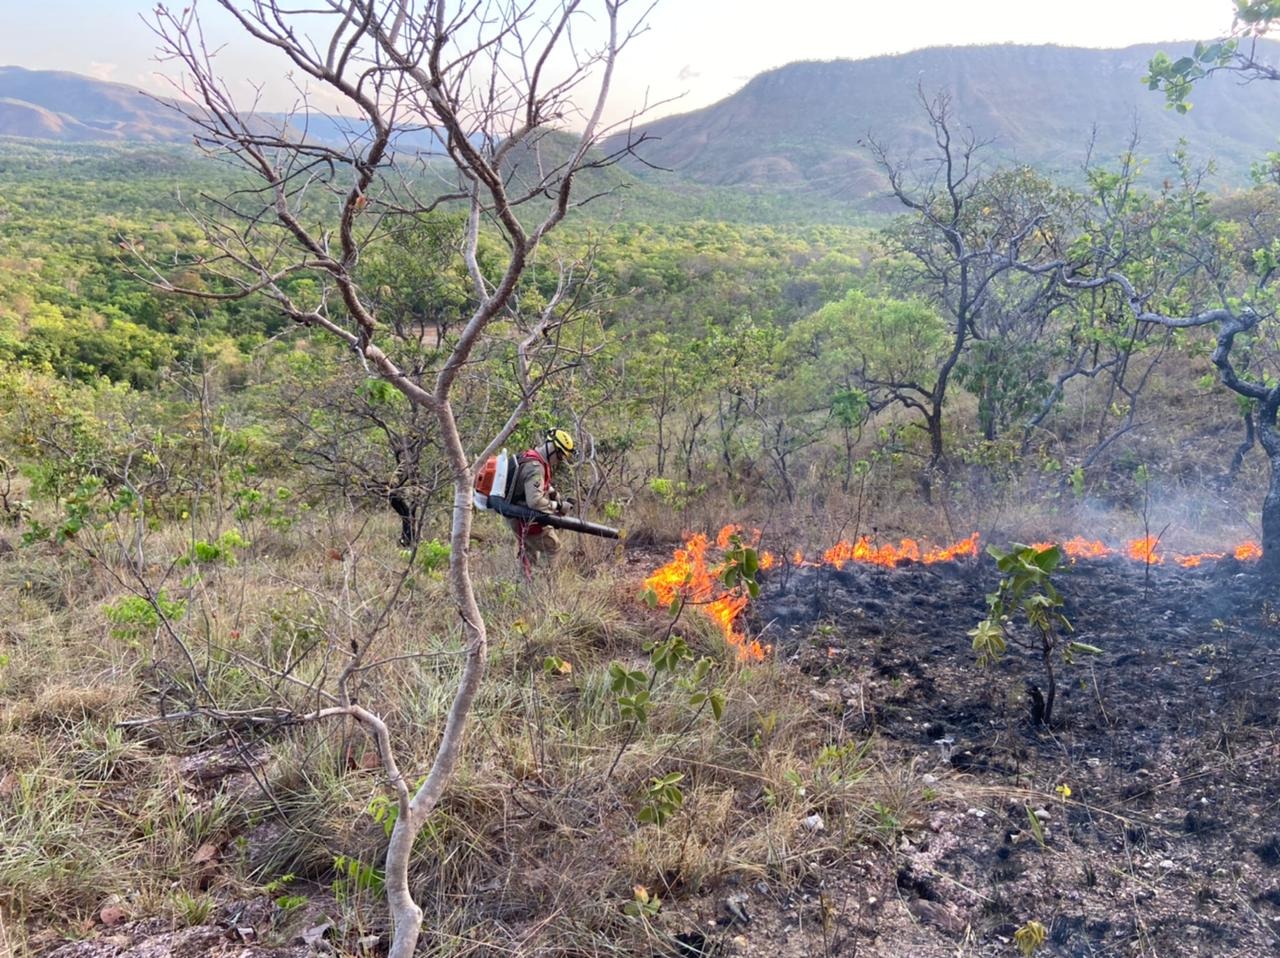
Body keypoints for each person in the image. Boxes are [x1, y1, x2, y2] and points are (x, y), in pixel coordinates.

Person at [508, 428, 575, 570]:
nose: (559, 461)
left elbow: (533, 484)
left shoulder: (532, 456)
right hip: (525, 519)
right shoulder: (536, 468)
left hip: (517, 516)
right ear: (553, 449)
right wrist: (558, 506)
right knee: (553, 547)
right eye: (560, 456)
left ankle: (526, 581)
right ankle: (545, 581)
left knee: (529, 552)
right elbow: (535, 501)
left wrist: (552, 492)